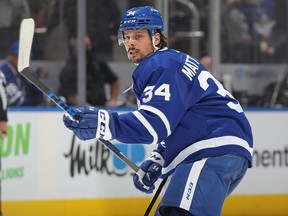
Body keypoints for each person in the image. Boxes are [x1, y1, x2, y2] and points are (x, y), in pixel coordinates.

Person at [62, 6, 253, 216]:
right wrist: (158, 159)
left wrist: (105, 123)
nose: (130, 42)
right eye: (126, 36)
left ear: (157, 38)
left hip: (210, 148)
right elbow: (177, 120)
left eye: (138, 36)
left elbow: (155, 125)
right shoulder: (169, 61)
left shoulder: (160, 64)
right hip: (221, 149)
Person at [58, 36, 119, 107]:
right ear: (75, 48)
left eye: (88, 46)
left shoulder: (98, 64)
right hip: (78, 109)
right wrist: (83, 104)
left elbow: (114, 81)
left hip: (101, 107)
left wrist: (113, 99)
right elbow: (68, 95)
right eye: (82, 47)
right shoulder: (69, 69)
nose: (86, 50)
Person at [0, 41, 45, 106]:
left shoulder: (25, 73)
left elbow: (41, 98)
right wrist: (33, 102)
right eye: (21, 57)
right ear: (11, 57)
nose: (25, 61)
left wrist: (32, 80)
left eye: (27, 57)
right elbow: (17, 101)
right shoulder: (4, 73)